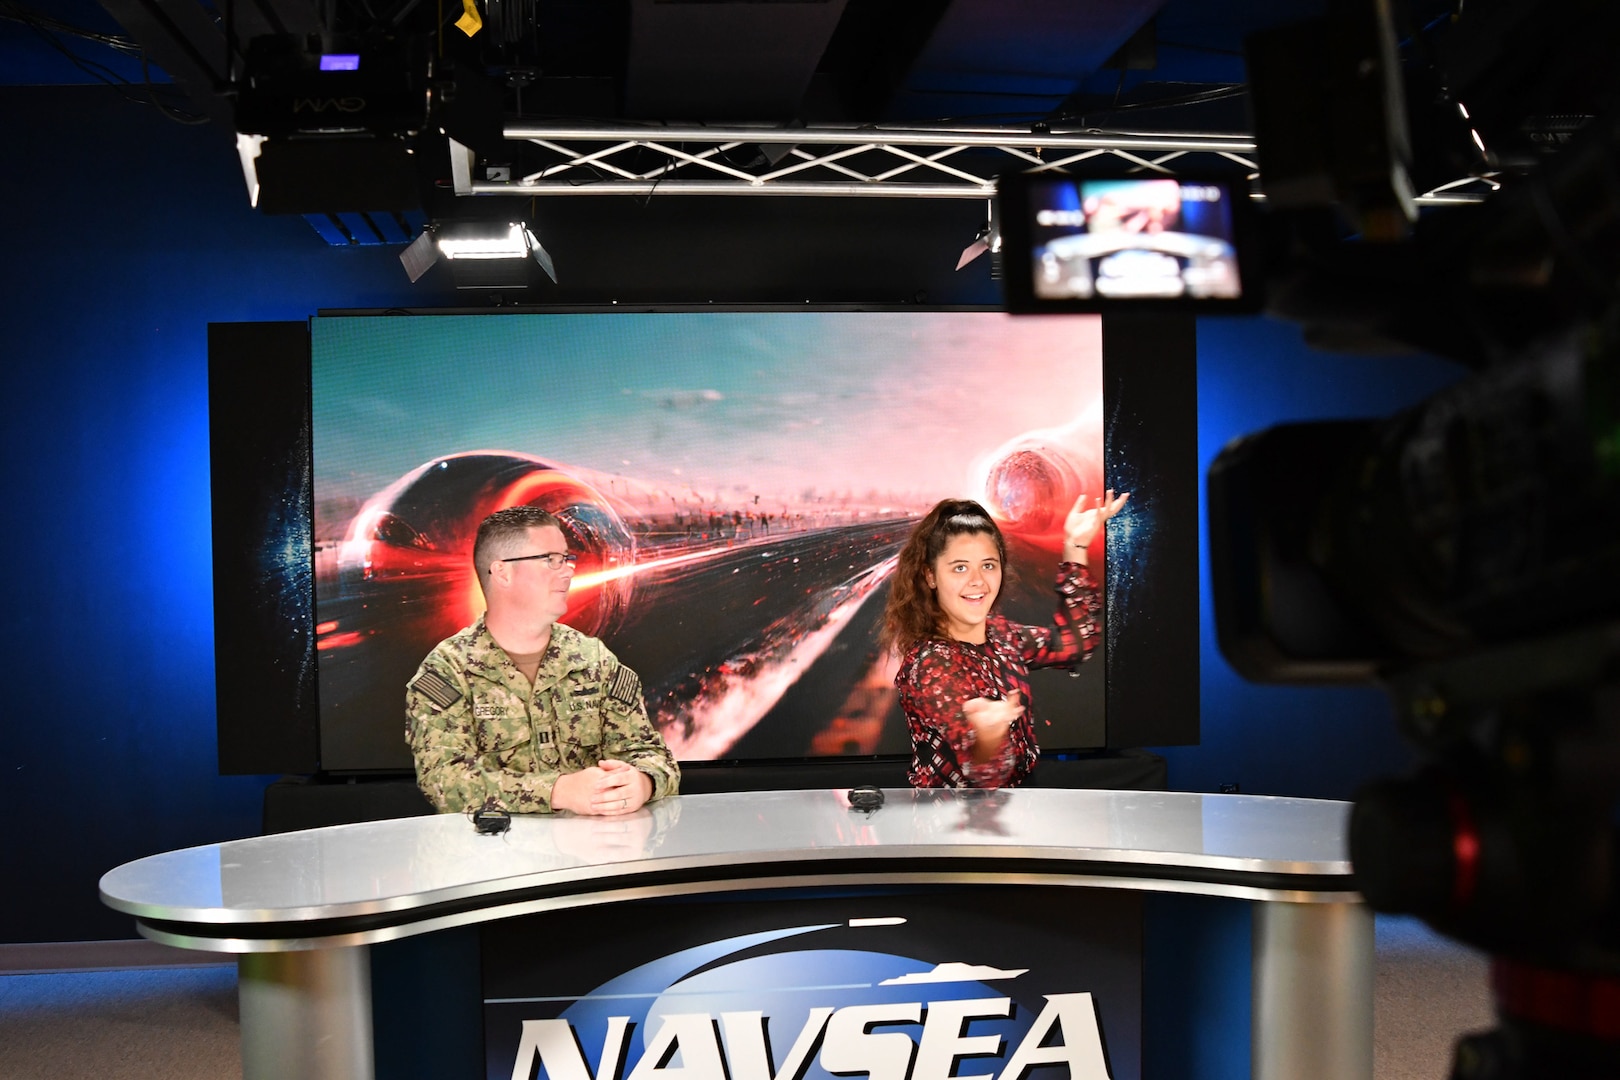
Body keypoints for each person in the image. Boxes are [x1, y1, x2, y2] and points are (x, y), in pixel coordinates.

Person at [406, 505, 680, 815]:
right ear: (503, 573)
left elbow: (653, 755)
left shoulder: (594, 659)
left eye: (566, 558)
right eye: (551, 560)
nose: (568, 569)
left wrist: (642, 782)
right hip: (492, 857)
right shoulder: (448, 671)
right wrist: (558, 792)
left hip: (591, 856)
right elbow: (443, 780)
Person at [881, 492, 1128, 789]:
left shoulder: (1000, 635)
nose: (978, 582)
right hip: (953, 828)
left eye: (988, 565)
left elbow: (1072, 645)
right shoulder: (931, 666)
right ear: (930, 576)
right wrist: (987, 737)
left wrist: (1075, 545)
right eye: (960, 567)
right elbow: (983, 778)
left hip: (1016, 814)